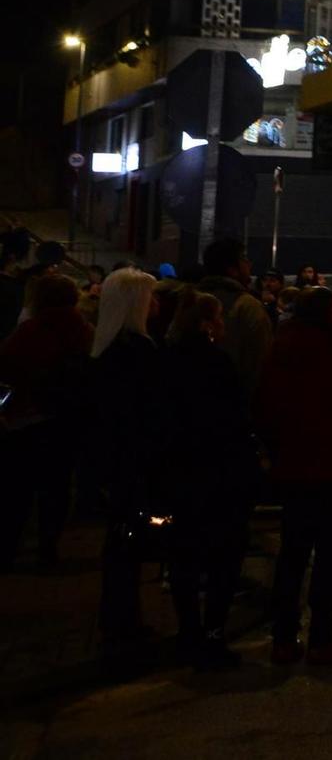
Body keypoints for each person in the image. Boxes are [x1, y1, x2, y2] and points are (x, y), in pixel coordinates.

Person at [257, 287, 332, 666]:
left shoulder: (281, 350)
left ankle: (283, 635)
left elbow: (265, 405)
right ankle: (322, 636)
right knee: (329, 555)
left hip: (295, 465)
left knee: (292, 553)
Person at [158, 292, 259, 670]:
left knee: (184, 556)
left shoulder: (166, 360)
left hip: (180, 473)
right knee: (222, 559)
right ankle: (213, 632)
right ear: (206, 323)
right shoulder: (217, 363)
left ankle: (189, 630)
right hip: (218, 473)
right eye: (218, 318)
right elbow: (233, 419)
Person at [90, 268, 164, 656]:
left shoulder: (108, 350)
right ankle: (122, 622)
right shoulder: (137, 351)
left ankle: (119, 618)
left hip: (117, 463)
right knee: (127, 543)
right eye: (150, 297)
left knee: (121, 543)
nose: (156, 304)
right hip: (134, 463)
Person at [0, 274, 93, 572]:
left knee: (18, 489)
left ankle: (9, 550)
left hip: (26, 421)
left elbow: (7, 371)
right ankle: (48, 548)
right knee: (57, 488)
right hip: (66, 421)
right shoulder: (85, 332)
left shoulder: (28, 332)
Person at [197, 238, 272, 408]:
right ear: (233, 270)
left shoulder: (189, 299)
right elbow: (259, 362)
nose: (249, 264)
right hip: (233, 402)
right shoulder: (247, 305)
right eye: (244, 259)